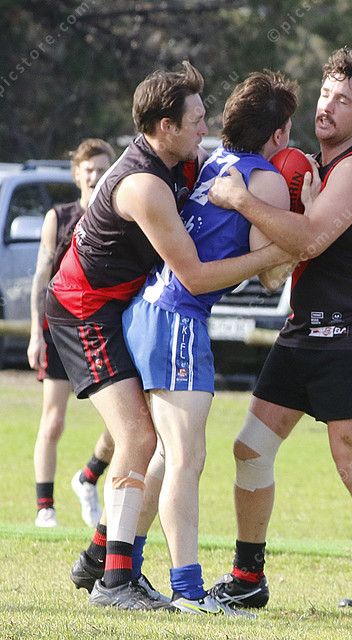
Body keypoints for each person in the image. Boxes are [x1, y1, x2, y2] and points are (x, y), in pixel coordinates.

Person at [45, 61, 290, 611]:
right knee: (141, 440)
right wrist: (280, 247)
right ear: (165, 126)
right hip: (84, 310)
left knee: (152, 444)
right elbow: (196, 276)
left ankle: (101, 559)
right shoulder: (144, 186)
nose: (206, 128)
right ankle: (117, 583)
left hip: (128, 306)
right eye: (196, 120)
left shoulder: (186, 160)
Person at [208, 48, 352, 624]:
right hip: (303, 331)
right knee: (251, 448)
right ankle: (248, 579)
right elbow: (284, 255)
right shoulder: (308, 166)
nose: (327, 107)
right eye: (325, 94)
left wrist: (240, 198)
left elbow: (310, 240)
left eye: (343, 100)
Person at [120, 70, 298, 615]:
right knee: (187, 458)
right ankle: (188, 589)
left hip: (149, 309)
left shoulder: (215, 160)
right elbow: (272, 277)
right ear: (279, 134)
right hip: (179, 317)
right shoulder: (266, 179)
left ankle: (121, 565)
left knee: (166, 454)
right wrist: (299, 222)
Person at [28, 138, 116, 529]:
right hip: (58, 330)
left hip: (99, 329)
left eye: (102, 169)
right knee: (53, 421)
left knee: (125, 421)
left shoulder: (117, 213)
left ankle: (89, 476)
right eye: (89, 169)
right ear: (76, 173)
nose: (95, 176)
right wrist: (36, 332)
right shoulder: (59, 216)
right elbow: (41, 275)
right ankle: (45, 508)